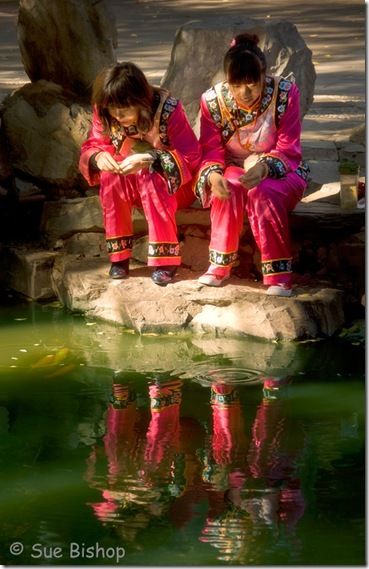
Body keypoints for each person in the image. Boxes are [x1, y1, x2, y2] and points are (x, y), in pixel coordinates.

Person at [195, 33, 309, 296]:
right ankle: (219, 266)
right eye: (236, 85)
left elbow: (289, 148)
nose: (245, 92)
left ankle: (278, 277)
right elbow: (210, 149)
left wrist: (266, 168)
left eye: (252, 84)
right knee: (228, 186)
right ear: (226, 80)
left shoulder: (285, 94)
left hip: (282, 170)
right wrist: (213, 176)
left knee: (263, 191)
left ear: (264, 75)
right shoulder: (212, 101)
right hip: (235, 167)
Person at [79, 62, 201, 285]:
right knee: (110, 176)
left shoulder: (169, 109)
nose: (117, 115)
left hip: (173, 188)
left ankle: (166, 261)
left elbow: (191, 156)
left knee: (151, 176)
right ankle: (119, 258)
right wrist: (98, 157)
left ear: (139, 101)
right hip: (131, 184)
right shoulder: (105, 108)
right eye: (112, 109)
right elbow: (94, 143)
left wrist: (153, 159)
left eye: (123, 110)